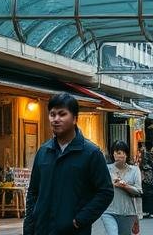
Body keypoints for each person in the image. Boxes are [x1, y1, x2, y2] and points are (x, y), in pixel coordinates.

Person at [23, 93, 112, 235]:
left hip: (72, 231)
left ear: (75, 118)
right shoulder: (44, 151)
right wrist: (29, 225)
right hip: (42, 229)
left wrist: (80, 220)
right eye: (52, 114)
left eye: (62, 114)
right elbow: (33, 192)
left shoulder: (91, 153)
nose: (56, 119)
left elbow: (105, 192)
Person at [102, 140, 142, 235]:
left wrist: (125, 186)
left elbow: (139, 191)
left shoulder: (134, 170)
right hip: (108, 211)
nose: (116, 155)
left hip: (128, 212)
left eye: (119, 153)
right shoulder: (106, 169)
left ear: (126, 154)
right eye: (114, 153)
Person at [141, 147, 153, 219]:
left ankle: (149, 211)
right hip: (150, 181)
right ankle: (151, 212)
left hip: (148, 181)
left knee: (149, 197)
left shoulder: (146, 164)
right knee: (150, 197)